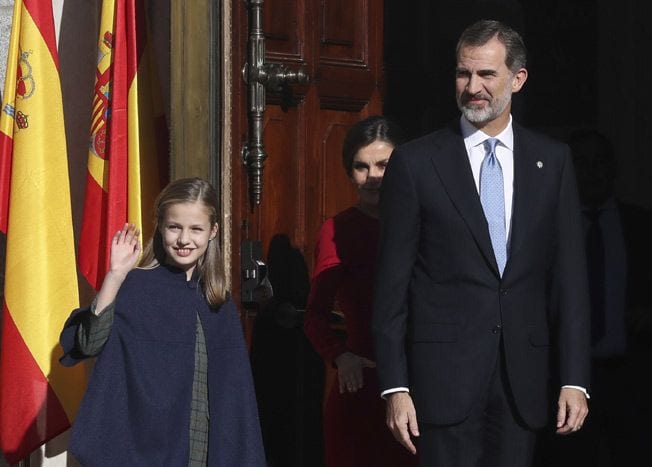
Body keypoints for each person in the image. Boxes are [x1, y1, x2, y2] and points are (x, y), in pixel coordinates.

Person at [371, 20, 590, 467]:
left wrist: (575, 379)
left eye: (487, 75)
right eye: (463, 74)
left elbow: (570, 280)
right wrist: (395, 386)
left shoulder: (553, 162)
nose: (473, 87)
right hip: (442, 382)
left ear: (518, 78)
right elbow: (391, 284)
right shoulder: (416, 163)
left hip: (522, 382)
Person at [60, 177, 265, 466]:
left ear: (213, 231)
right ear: (160, 227)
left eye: (196, 229)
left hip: (207, 448)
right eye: (174, 227)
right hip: (148, 450)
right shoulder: (136, 287)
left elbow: (235, 397)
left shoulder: (218, 301)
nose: (184, 239)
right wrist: (115, 276)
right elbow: (89, 343)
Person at [535, 129, 652, 467]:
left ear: (613, 168)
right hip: (565, 380)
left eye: (599, 162)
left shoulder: (645, 225)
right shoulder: (545, 230)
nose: (591, 171)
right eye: (581, 163)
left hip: (634, 379)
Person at [303, 116, 417, 467]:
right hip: (362, 390)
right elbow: (315, 315)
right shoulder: (338, 229)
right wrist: (340, 354)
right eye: (361, 167)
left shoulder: (428, 222)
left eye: (384, 164)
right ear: (349, 172)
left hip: (423, 387)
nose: (374, 177)